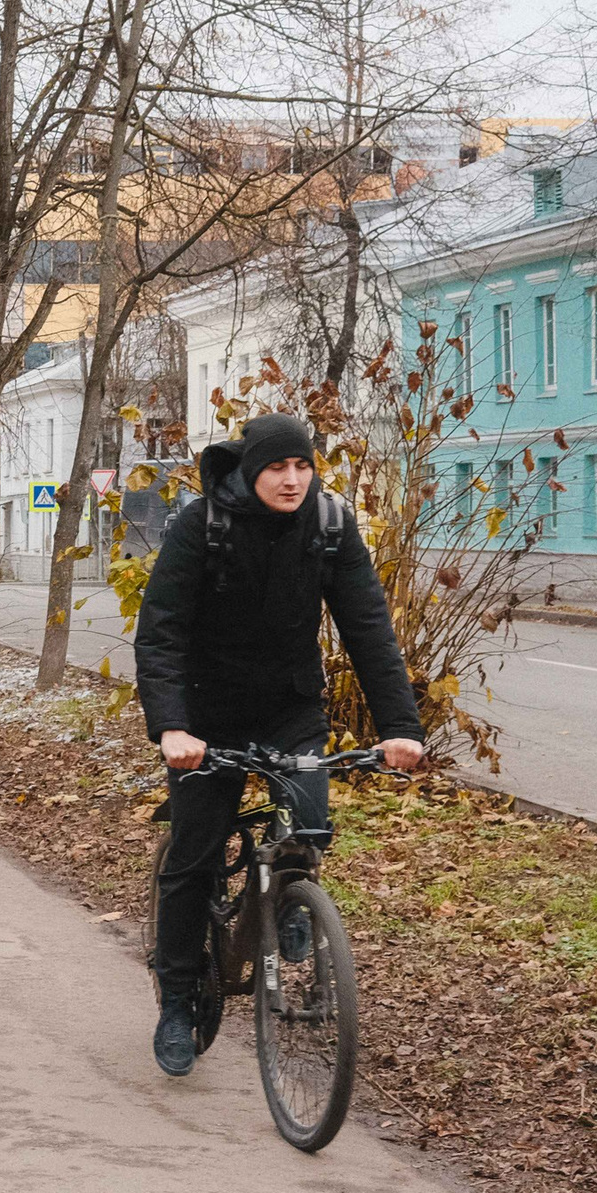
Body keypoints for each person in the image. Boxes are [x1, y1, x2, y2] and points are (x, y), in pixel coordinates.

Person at [132, 413, 426, 1077]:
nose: (292, 479)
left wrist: (401, 727)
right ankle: (176, 1000)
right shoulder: (201, 525)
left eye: (302, 466)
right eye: (276, 467)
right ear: (250, 469)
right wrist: (172, 727)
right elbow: (161, 634)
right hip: (206, 717)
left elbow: (369, 629)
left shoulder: (329, 525)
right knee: (196, 852)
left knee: (309, 822)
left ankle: (288, 895)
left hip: (289, 709)